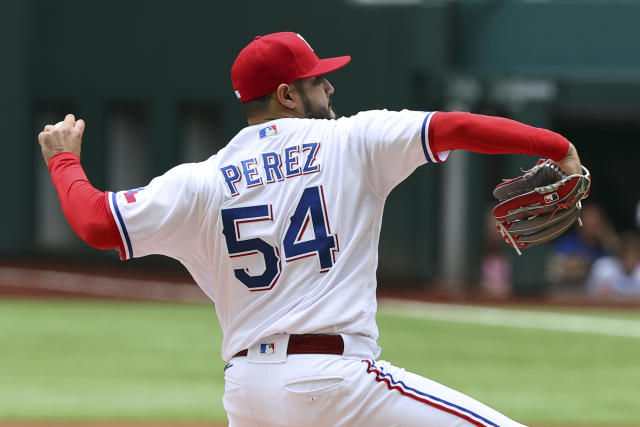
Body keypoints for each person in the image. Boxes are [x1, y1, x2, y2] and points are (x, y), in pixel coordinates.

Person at [38, 32, 584, 427]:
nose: (329, 87)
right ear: (287, 95)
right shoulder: (354, 139)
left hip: (248, 393)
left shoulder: (202, 180)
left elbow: (95, 221)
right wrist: (556, 147)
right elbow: (456, 127)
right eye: (317, 79)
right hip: (336, 383)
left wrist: (64, 161)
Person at [586, 232, 640, 298]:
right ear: (619, 255)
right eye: (626, 256)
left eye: (634, 256)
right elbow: (590, 293)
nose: (630, 260)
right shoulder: (604, 267)